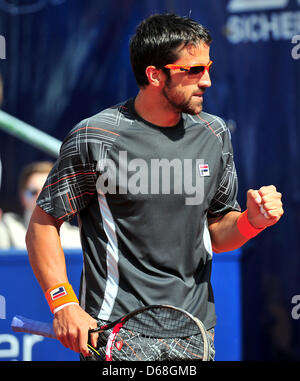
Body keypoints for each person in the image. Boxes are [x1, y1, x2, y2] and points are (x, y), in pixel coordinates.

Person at [25, 13, 283, 360]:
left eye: (208, 67)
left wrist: (252, 221)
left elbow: (218, 234)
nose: (206, 80)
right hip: (114, 332)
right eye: (193, 70)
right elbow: (42, 224)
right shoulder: (96, 136)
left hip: (195, 333)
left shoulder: (214, 133)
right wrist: (63, 304)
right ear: (154, 75)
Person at [0, 161, 81, 250]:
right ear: (22, 197)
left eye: (47, 191)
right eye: (33, 192)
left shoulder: (77, 239)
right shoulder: (6, 228)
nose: (40, 197)